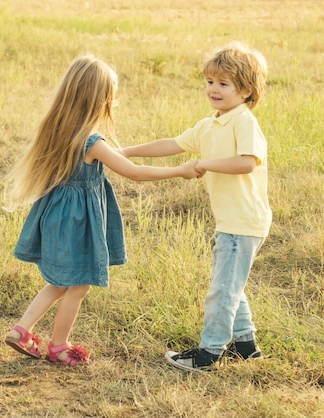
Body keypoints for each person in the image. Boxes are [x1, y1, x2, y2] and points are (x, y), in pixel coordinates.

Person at [4, 54, 200, 366]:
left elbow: (112, 155)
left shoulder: (59, 129)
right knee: (79, 285)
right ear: (100, 99)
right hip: (77, 223)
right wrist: (179, 171)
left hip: (55, 216)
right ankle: (59, 345)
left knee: (59, 282)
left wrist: (129, 149)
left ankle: (21, 330)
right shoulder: (91, 140)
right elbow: (132, 172)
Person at [121, 41, 271, 371]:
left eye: (223, 84)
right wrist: (127, 151)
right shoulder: (210, 125)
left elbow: (247, 162)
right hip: (231, 221)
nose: (213, 89)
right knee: (231, 283)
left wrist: (206, 163)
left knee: (223, 290)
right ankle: (246, 345)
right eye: (209, 82)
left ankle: (208, 353)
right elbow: (172, 144)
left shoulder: (244, 122)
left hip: (244, 221)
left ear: (246, 90)